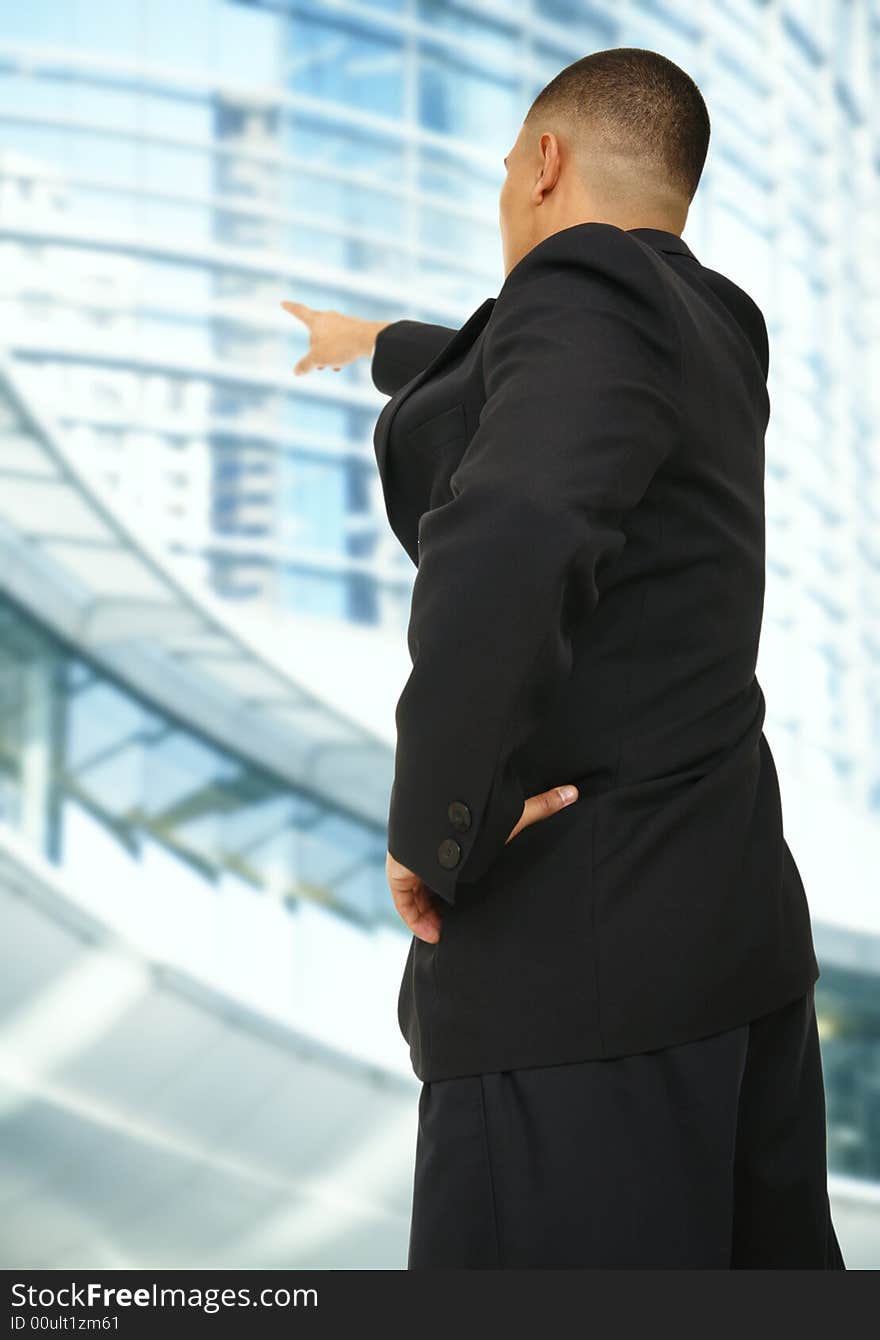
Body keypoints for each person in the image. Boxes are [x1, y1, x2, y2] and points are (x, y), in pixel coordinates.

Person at [282, 47, 845, 1270]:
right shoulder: (715, 324)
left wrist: (441, 826)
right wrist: (374, 340)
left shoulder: (581, 287)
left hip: (582, 979)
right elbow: (524, 375)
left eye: (502, 172)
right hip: (729, 956)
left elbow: (516, 528)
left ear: (543, 164)